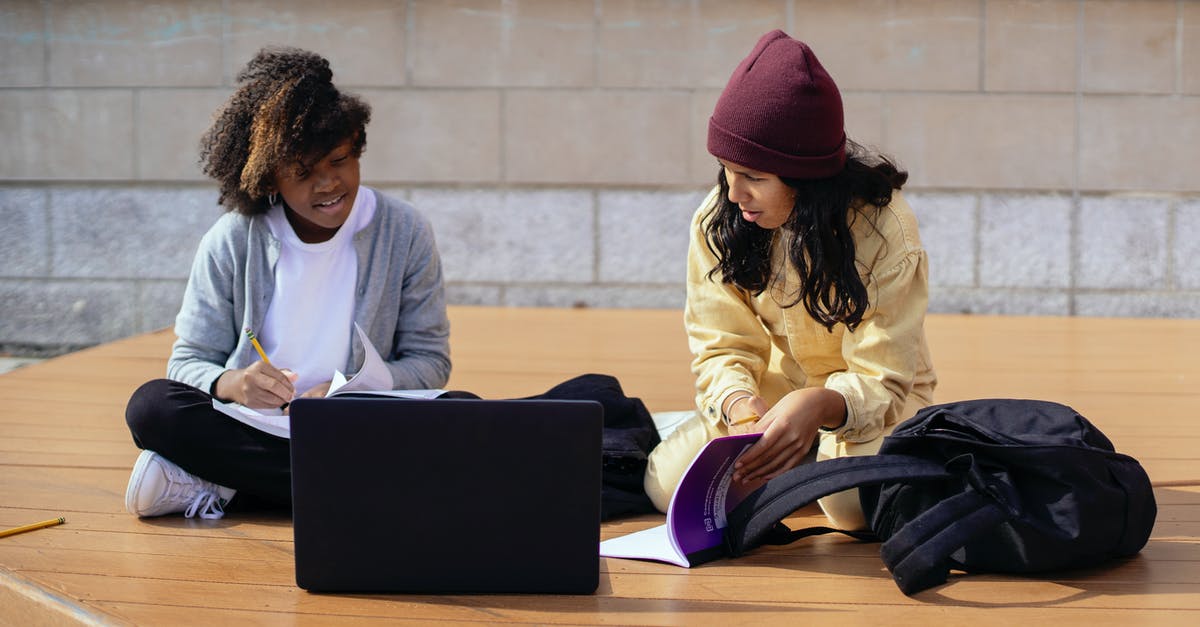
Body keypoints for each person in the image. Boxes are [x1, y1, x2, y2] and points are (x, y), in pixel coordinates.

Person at [122, 47, 451, 520]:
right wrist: (236, 383)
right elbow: (188, 362)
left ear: (357, 145)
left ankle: (227, 486)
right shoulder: (234, 239)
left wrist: (348, 395)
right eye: (303, 172)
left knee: (459, 408)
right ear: (269, 176)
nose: (328, 184)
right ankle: (360, 490)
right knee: (152, 407)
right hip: (254, 428)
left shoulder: (403, 230)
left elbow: (430, 362)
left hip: (355, 425)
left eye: (339, 160)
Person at [643, 30, 936, 530]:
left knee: (849, 509)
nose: (734, 193)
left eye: (753, 176)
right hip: (770, 404)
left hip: (869, 403)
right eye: (725, 169)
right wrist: (738, 407)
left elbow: (883, 375)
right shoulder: (719, 217)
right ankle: (785, 461)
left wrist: (820, 405)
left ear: (806, 178)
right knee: (666, 485)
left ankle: (818, 464)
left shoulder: (886, 232)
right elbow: (721, 345)